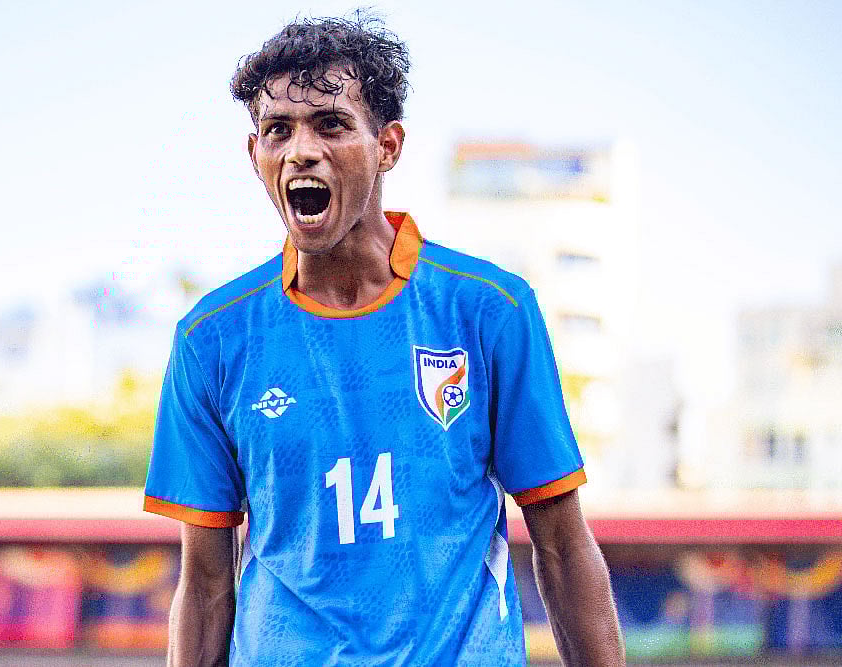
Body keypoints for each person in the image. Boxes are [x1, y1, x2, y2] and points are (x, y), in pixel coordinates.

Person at [144, 14, 624, 667]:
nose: (301, 150)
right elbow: (203, 585)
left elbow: (563, 548)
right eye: (278, 130)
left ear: (388, 146)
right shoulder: (212, 340)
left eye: (331, 124)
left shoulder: (490, 311)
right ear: (254, 155)